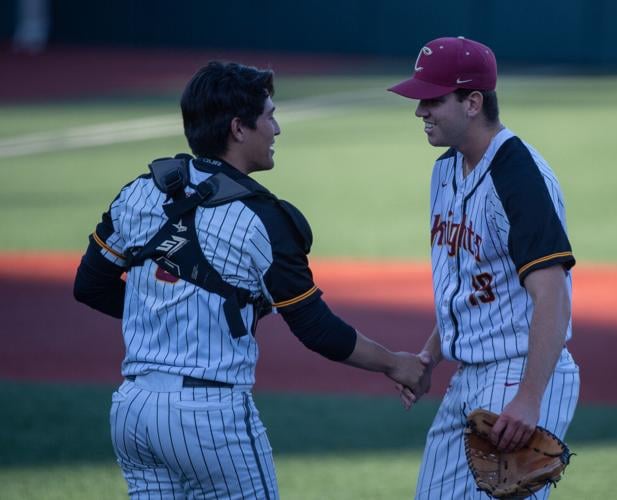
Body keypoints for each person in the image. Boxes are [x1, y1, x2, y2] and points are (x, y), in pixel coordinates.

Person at [73, 61, 427, 499]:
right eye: (269, 115)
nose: (276, 128)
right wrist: (396, 363)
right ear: (239, 129)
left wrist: (166, 308)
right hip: (208, 418)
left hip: (132, 412)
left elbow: (90, 285)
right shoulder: (263, 220)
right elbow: (317, 329)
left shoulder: (139, 192)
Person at [388, 37, 580, 499]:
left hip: (519, 370)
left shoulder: (520, 177)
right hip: (469, 374)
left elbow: (553, 296)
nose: (420, 112)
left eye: (432, 100)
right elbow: (470, 286)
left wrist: (531, 397)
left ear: (473, 102)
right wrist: (429, 356)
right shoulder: (444, 170)